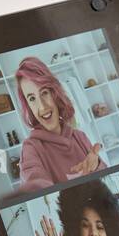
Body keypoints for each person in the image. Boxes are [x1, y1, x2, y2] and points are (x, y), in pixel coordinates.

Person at [13, 56, 105, 192]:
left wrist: (96, 164)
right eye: (32, 98)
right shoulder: (31, 148)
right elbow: (35, 182)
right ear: (28, 106)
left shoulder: (80, 137)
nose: (42, 107)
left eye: (44, 93)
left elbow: (107, 182)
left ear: (54, 93)